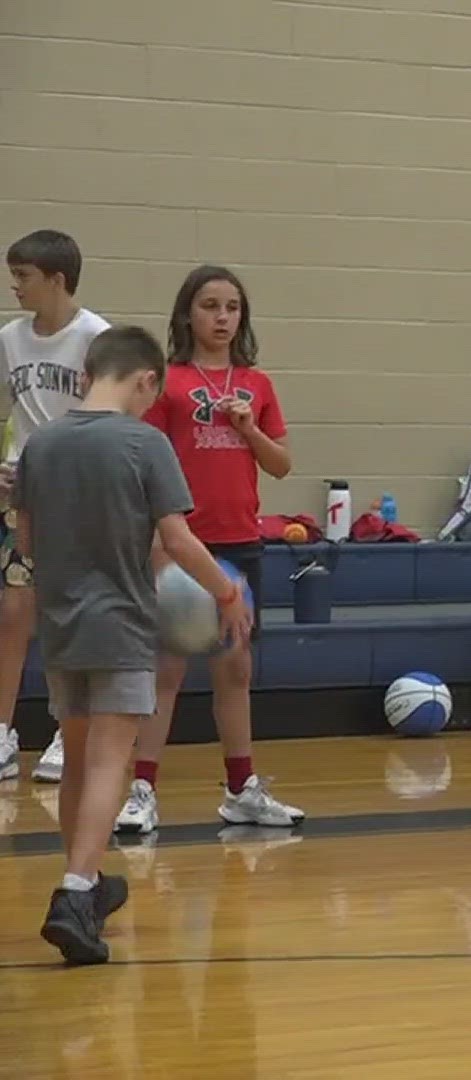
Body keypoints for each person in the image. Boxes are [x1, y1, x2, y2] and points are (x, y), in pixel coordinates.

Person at [18, 326, 253, 964]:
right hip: (120, 623)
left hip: (61, 624)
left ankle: (88, 885)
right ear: (146, 380)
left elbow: (29, 540)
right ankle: (72, 892)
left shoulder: (40, 444)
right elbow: (176, 539)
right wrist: (225, 595)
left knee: (76, 754)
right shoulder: (145, 442)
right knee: (107, 764)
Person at [116, 265, 302, 835]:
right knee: (166, 669)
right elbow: (141, 463)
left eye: (232, 308)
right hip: (179, 542)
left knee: (234, 669)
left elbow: (280, 464)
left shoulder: (258, 385)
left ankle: (242, 788)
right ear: (187, 314)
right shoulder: (167, 383)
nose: (221, 317)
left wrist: (248, 429)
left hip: (240, 541)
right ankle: (142, 789)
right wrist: (152, 541)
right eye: (209, 306)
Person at [0, 229, 110, 785]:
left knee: (76, 618)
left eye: (23, 276)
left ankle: (72, 732)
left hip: (80, 498)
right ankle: (2, 733)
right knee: (13, 613)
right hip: (24, 499)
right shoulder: (9, 339)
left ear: (56, 280)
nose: (14, 286)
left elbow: (112, 421)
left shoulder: (97, 338)